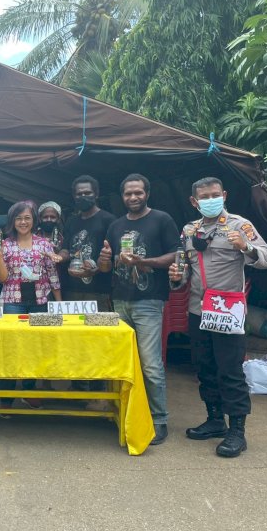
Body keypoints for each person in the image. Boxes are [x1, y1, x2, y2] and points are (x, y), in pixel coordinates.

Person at [169, 177, 267, 457]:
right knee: (203, 367)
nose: (210, 199)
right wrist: (177, 278)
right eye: (204, 196)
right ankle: (215, 419)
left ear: (224, 195)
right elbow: (185, 272)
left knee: (230, 370)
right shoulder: (189, 230)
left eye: (215, 194)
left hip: (228, 311)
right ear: (194, 201)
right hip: (199, 309)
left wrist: (245, 247)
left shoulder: (240, 226)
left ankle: (237, 431)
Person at [99, 173, 180, 445]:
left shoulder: (162, 219)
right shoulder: (116, 225)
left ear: (147, 194)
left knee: (151, 364)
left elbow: (175, 254)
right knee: (121, 361)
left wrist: (143, 261)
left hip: (148, 301)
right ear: (122, 197)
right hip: (120, 299)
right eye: (128, 194)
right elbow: (108, 265)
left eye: (138, 192)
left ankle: (158, 420)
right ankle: (123, 413)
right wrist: (104, 260)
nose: (133, 197)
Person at [0, 201, 62, 413]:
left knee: (34, 347)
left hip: (40, 301)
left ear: (34, 221)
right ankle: (7, 396)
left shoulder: (44, 244)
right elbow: (2, 279)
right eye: (19, 218)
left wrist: (59, 303)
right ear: (13, 221)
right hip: (13, 302)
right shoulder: (5, 244)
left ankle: (29, 390)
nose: (23, 222)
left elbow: (52, 275)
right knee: (11, 348)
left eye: (27, 218)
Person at [60, 175, 116, 310]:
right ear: (74, 196)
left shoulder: (109, 220)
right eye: (79, 194)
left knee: (99, 330)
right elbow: (66, 250)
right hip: (72, 289)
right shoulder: (71, 221)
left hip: (100, 290)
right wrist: (58, 256)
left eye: (87, 193)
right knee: (72, 330)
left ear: (96, 194)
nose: (83, 196)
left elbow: (114, 255)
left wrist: (95, 270)